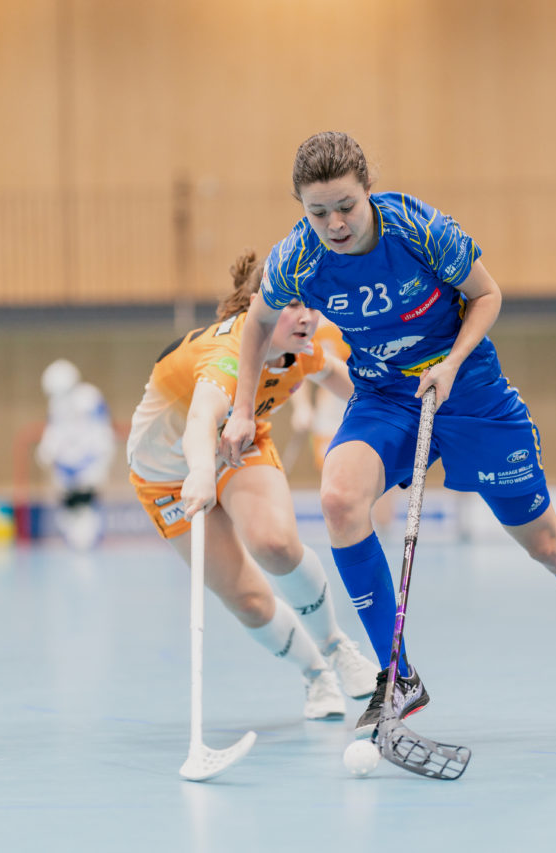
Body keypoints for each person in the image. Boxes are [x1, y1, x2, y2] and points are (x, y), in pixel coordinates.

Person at [220, 131, 556, 736]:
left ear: (367, 192)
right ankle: (396, 675)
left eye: (345, 205)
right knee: (340, 500)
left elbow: (486, 294)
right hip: (385, 394)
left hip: (467, 386)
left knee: (549, 545)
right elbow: (257, 323)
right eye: (317, 212)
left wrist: (450, 364)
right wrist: (243, 409)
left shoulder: (416, 229)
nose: (335, 223)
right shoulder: (297, 257)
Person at [126, 251, 378, 721]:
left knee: (275, 544)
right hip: (167, 475)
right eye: (292, 305)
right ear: (261, 305)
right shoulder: (224, 355)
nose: (306, 317)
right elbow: (199, 421)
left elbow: (336, 376)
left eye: (311, 304)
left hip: (237, 446)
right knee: (246, 598)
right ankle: (315, 674)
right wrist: (200, 472)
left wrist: (397, 409)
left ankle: (337, 647)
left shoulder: (298, 350)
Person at [286, 315, 398, 537]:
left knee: (381, 483)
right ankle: (349, 538)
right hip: (330, 416)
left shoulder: (372, 315)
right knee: (337, 487)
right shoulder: (312, 321)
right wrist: (302, 406)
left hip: (373, 409)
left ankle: (382, 539)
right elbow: (298, 367)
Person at [35, 359, 116, 551]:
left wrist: (101, 457)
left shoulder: (89, 397)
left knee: (86, 502)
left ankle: (89, 539)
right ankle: (74, 539)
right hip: (65, 464)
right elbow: (55, 430)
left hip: (88, 461)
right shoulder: (55, 404)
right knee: (68, 505)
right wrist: (47, 449)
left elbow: (101, 429)